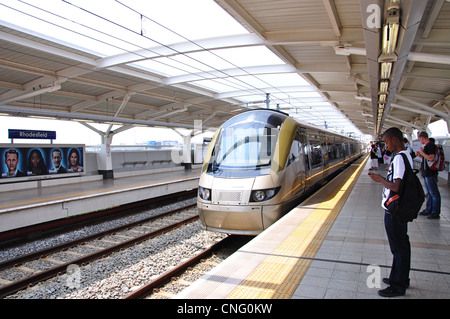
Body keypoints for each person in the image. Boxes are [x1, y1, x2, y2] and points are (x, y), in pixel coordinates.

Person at [368, 127, 412, 297]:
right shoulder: (406, 155)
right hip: (398, 209)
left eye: (386, 142)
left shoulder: (399, 158)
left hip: (394, 210)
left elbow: (396, 186)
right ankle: (400, 277)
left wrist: (379, 179)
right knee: (401, 246)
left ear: (394, 139)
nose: (386, 146)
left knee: (398, 248)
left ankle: (398, 286)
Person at [416, 132, 441, 219]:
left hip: (430, 173)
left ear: (422, 138)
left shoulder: (430, 145)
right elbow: (427, 160)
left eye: (420, 139)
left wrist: (422, 152)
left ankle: (435, 212)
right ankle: (429, 209)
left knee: (434, 193)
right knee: (429, 193)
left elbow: (431, 158)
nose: (420, 141)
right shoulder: (427, 146)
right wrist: (421, 155)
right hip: (427, 172)